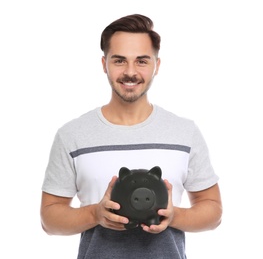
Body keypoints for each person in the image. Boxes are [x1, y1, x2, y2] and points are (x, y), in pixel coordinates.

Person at [40, 14, 222, 259]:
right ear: (104, 63)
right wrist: (95, 214)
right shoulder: (72, 135)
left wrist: (175, 216)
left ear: (157, 65)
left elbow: (213, 211)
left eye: (142, 61)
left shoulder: (184, 132)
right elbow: (49, 220)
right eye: (119, 61)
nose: (130, 72)